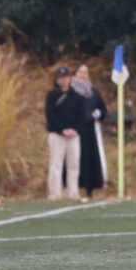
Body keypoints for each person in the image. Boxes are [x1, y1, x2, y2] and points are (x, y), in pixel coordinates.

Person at [46, 66, 84, 200]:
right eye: (60, 78)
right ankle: (55, 192)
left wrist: (75, 129)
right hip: (57, 134)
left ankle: (73, 192)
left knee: (74, 164)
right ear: (56, 80)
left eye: (66, 77)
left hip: (74, 135)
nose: (63, 80)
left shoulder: (77, 96)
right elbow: (50, 115)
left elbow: (81, 116)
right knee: (56, 164)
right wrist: (61, 129)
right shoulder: (51, 96)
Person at [71, 64, 108, 201]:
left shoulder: (93, 92)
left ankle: (89, 189)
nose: (83, 75)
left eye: (86, 73)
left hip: (90, 131)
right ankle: (72, 189)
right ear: (75, 74)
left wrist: (98, 113)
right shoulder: (70, 91)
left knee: (90, 160)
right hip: (75, 130)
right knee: (74, 160)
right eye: (81, 72)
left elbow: (102, 109)